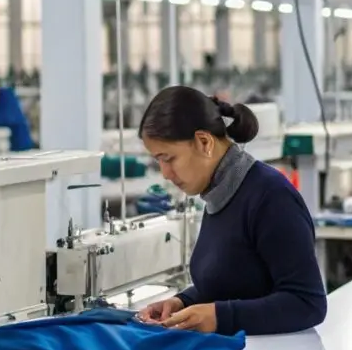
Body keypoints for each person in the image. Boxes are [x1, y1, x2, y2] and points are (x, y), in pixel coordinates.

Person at [135, 86, 326, 335]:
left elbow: (308, 304)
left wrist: (219, 316)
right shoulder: (219, 193)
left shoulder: (270, 197)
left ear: (204, 142)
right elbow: (231, 280)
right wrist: (183, 302)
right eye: (157, 161)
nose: (165, 173)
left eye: (168, 158)